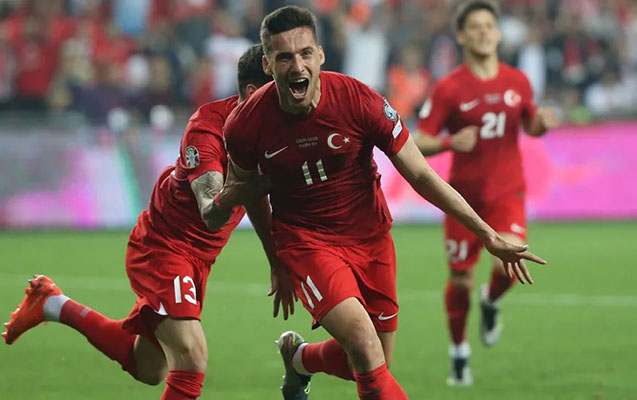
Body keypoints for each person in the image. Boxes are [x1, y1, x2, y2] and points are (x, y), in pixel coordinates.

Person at [217, 6, 546, 400]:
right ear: (268, 64)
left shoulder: (359, 101)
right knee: (364, 344)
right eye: (284, 57)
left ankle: (300, 358)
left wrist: (487, 234)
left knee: (374, 360)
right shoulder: (245, 124)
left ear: (320, 55)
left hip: (370, 238)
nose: (297, 66)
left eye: (305, 53)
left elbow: (420, 175)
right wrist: (275, 260)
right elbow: (248, 191)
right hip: (306, 242)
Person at [2, 44, 282, 400]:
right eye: (280, 90)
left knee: (148, 367)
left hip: (199, 259)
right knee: (192, 357)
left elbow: (254, 196)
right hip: (166, 246)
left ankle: (52, 303)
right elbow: (212, 212)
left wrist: (276, 260)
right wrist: (262, 183)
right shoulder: (208, 128)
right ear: (253, 93)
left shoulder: (269, 129)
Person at [413, 0, 559, 386]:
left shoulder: (517, 81)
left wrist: (542, 124)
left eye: (488, 26)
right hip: (463, 200)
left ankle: (491, 300)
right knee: (460, 280)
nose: (483, 33)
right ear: (461, 35)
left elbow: (530, 125)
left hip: (507, 192)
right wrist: (449, 142)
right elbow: (418, 140)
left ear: (497, 33)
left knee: (509, 262)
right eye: (474, 27)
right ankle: (459, 350)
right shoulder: (448, 88)